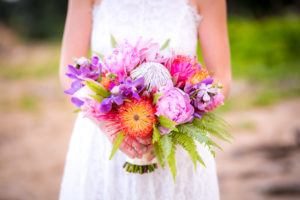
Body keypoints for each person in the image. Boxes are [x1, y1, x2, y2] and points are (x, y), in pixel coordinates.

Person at [59, 0, 231, 199]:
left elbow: (221, 76)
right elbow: (68, 70)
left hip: (176, 141)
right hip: (101, 137)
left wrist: (172, 119)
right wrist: (107, 123)